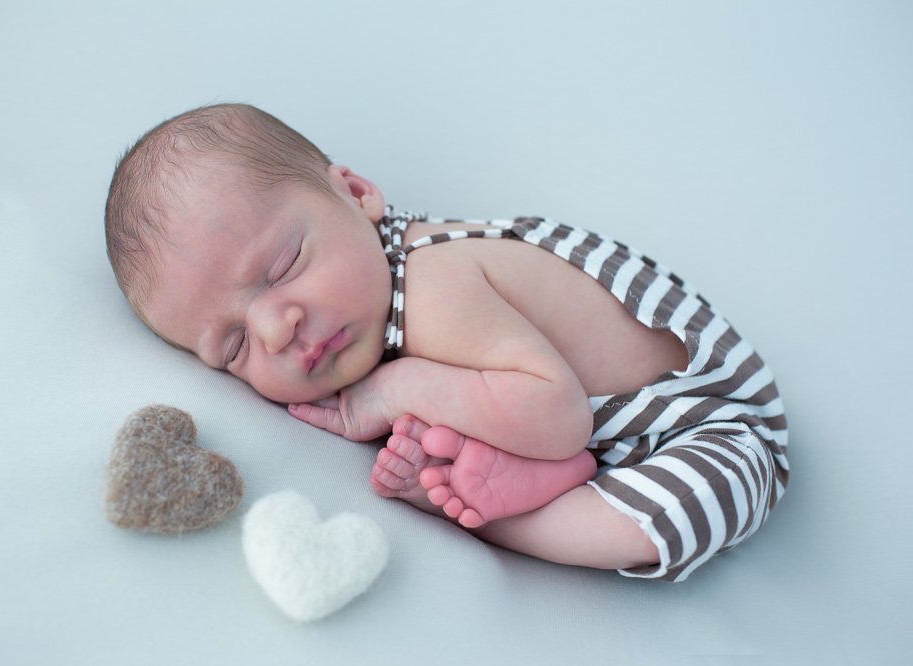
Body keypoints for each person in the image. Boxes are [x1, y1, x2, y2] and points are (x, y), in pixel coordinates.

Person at [105, 103, 789, 581]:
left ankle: (505, 512)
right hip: (573, 426)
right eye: (232, 347)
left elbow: (561, 416)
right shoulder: (369, 302)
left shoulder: (434, 283)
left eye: (283, 266)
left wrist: (392, 390)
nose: (275, 328)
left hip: (705, 422)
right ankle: (527, 477)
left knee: (662, 518)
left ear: (356, 193)